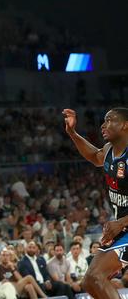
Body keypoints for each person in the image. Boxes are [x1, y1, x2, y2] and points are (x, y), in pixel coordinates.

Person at [64, 107, 128, 299]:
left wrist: (121, 222)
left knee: (96, 277)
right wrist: (72, 133)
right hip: (123, 228)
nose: (103, 125)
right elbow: (94, 156)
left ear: (125, 125)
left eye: (110, 120)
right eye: (104, 120)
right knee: (90, 281)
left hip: (124, 225)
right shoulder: (109, 150)